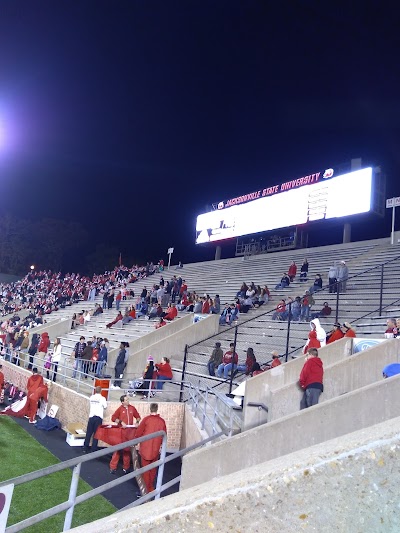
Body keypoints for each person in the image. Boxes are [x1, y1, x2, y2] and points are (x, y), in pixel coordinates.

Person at [135, 403, 167, 494]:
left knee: (145, 470)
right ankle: (150, 488)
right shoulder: (162, 421)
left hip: (145, 447)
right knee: (153, 470)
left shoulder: (146, 420)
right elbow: (164, 434)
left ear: (150, 409)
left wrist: (136, 441)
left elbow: (139, 432)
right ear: (157, 409)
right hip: (155, 449)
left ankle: (145, 490)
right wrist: (161, 446)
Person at [109, 395, 141, 474]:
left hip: (129, 433)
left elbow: (138, 417)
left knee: (127, 450)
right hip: (121, 432)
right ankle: (113, 467)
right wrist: (120, 422)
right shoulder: (120, 409)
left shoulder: (132, 408)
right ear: (122, 402)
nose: (128, 401)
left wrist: (137, 422)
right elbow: (113, 418)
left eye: (128, 399)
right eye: (126, 400)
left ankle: (126, 467)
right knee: (117, 450)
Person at [83, 386, 107, 453]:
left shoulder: (91, 397)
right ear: (101, 391)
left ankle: (85, 447)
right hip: (98, 418)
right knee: (96, 434)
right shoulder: (102, 398)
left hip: (91, 417)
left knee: (89, 433)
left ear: (95, 390)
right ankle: (93, 449)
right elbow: (105, 406)